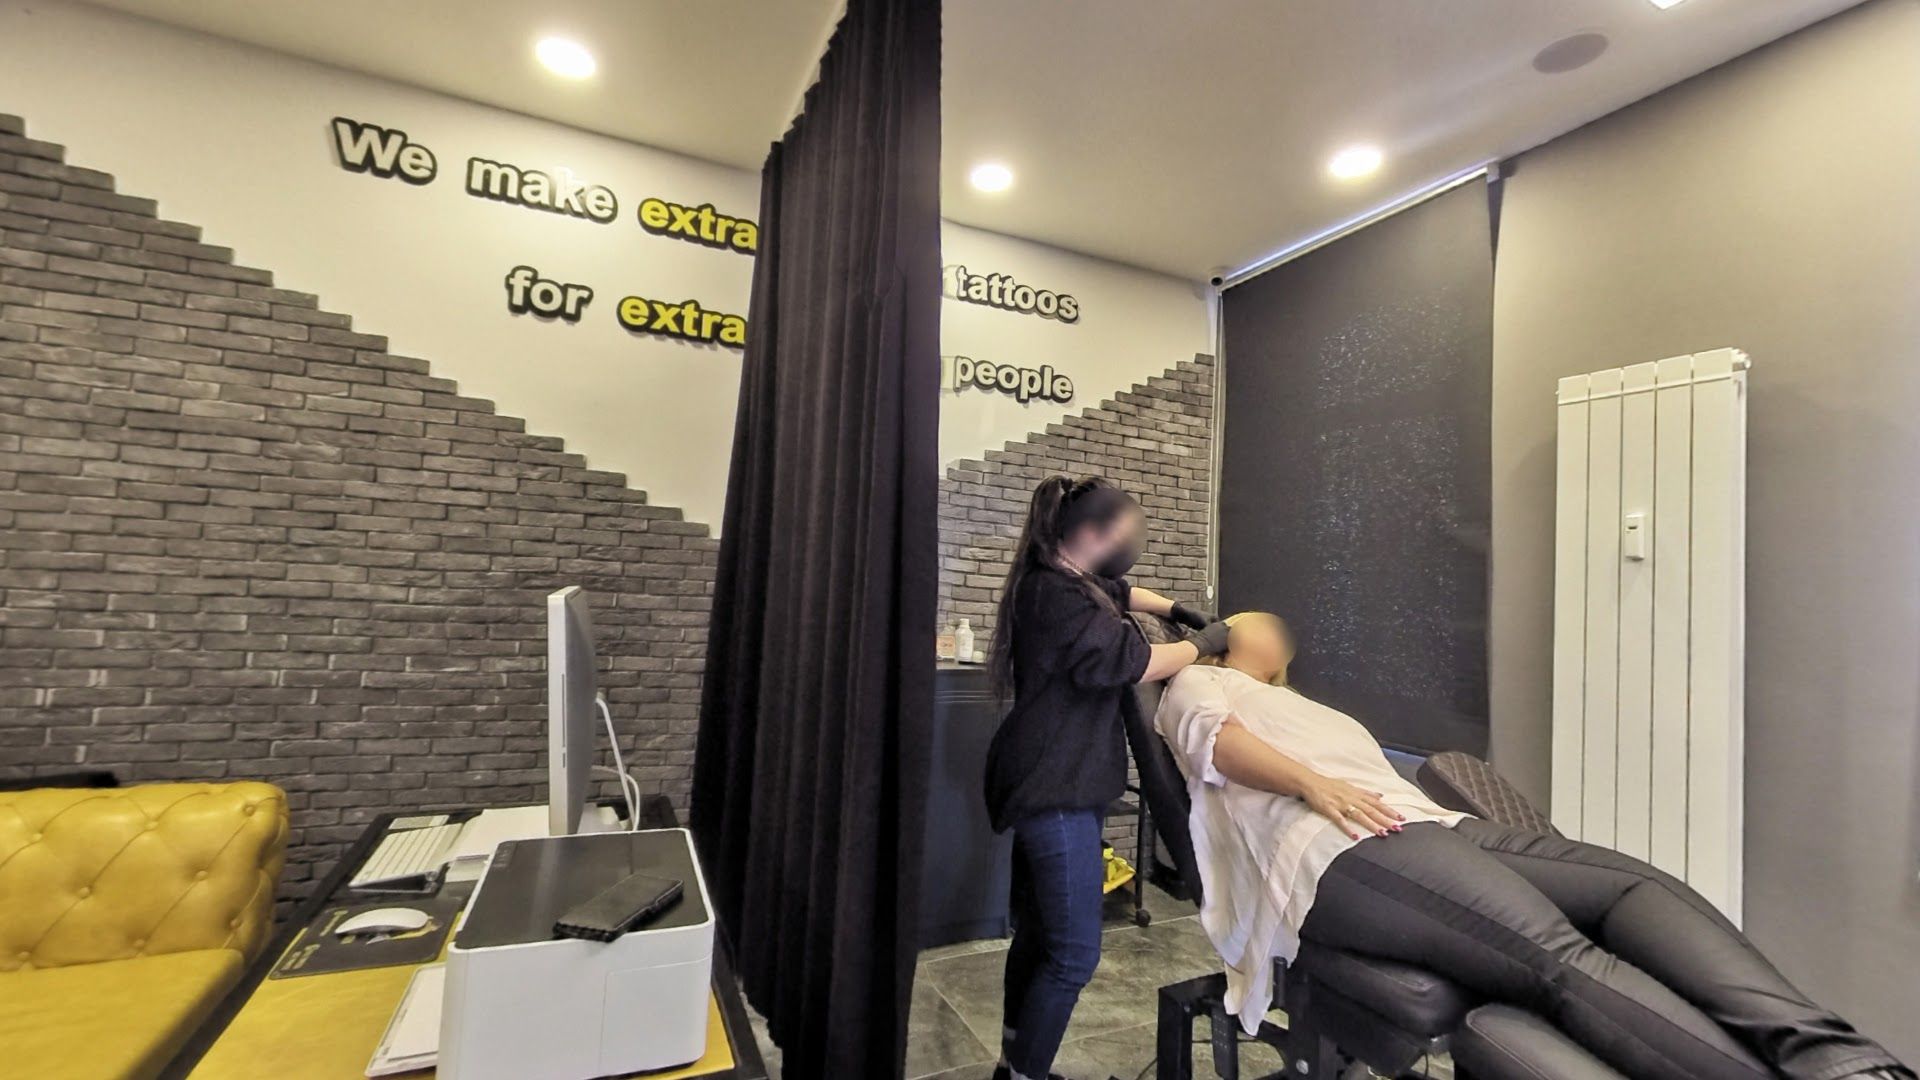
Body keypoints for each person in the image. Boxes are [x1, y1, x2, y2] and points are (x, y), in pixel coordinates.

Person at [1156, 612, 1913, 1080]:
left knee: (1630, 889)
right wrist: (1311, 784)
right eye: (1251, 620)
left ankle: (1841, 1063)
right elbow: (1214, 746)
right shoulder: (1203, 684)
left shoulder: (1297, 700)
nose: (1269, 626)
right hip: (1334, 848)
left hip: (1427, 827)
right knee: (1554, 955)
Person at [983, 475, 1231, 1080]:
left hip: (1058, 779)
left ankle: (1016, 1062)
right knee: (1072, 955)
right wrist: (1204, 644)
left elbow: (1124, 592)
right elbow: (1137, 662)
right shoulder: (1058, 596)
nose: (1129, 545)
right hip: (1054, 787)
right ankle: (1024, 1075)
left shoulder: (1067, 576)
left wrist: (1175, 609)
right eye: (1121, 532)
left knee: (1042, 933)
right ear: (1089, 533)